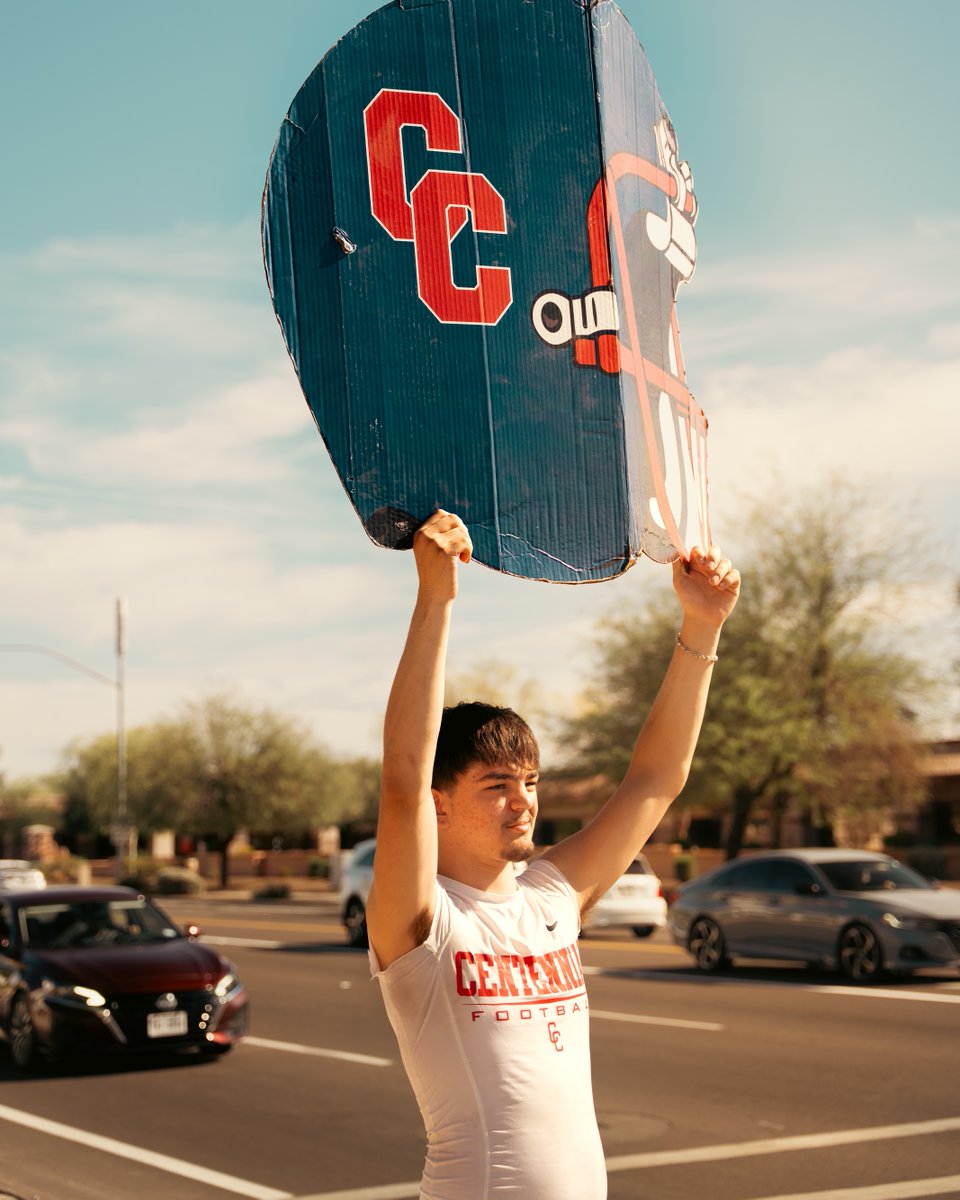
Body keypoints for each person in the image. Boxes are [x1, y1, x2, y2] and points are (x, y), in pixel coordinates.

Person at [367, 509, 741, 1200]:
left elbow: (654, 781)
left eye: (530, 782)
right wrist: (436, 597)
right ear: (440, 802)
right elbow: (401, 780)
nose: (524, 801)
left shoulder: (552, 899)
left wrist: (703, 626)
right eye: (497, 785)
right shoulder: (421, 922)